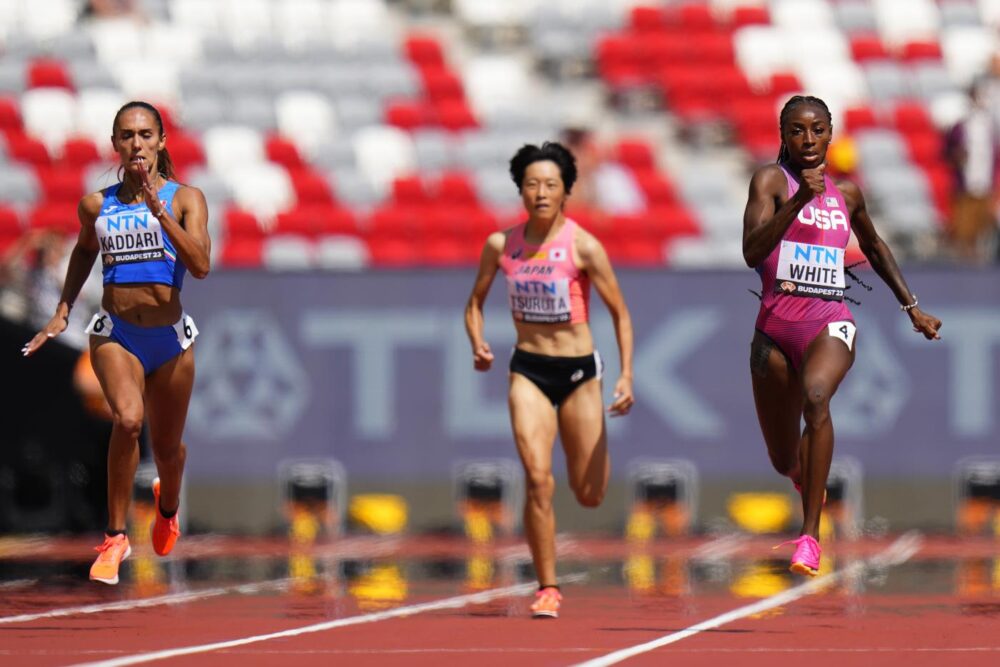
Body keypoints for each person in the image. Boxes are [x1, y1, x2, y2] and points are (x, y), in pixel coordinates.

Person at [742, 95, 942, 576]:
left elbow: (872, 244)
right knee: (781, 457)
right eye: (796, 130)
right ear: (782, 135)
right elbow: (752, 252)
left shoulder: (847, 195)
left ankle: (809, 534)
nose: (807, 140)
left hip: (829, 320)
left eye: (817, 129)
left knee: (817, 397)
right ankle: (801, 476)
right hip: (773, 329)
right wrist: (796, 202)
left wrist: (912, 307)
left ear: (831, 133)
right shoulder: (770, 181)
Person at [22, 101, 211, 585]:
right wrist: (63, 309)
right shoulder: (96, 205)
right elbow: (85, 249)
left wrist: (160, 214)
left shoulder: (187, 199)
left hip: (168, 338)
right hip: (117, 334)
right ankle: (114, 536)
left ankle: (167, 509)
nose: (136, 144)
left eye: (146, 134)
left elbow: (201, 264)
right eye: (126, 136)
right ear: (115, 145)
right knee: (128, 420)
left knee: (168, 450)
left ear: (161, 141)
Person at [464, 141, 634, 617]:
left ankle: (596, 456)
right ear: (520, 190)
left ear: (565, 193)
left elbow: (620, 313)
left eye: (551, 185)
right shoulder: (501, 245)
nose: (541, 192)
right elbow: (474, 303)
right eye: (532, 184)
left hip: (579, 373)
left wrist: (625, 374)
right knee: (538, 480)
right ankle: (548, 586)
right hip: (529, 371)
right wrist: (477, 342)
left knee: (589, 493)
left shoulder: (584, 246)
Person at [944, 77, 999, 264]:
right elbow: (947, 151)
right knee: (964, 225)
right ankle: (964, 258)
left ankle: (977, 257)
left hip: (984, 181)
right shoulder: (961, 126)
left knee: (981, 224)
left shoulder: (989, 126)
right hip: (965, 182)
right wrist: (957, 156)